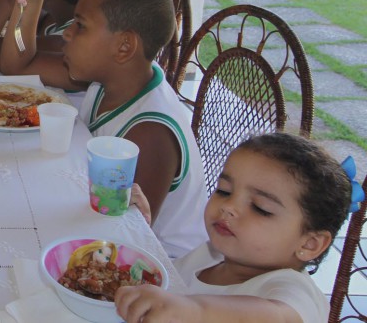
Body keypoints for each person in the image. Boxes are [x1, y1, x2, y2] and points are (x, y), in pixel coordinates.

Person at [117, 133, 351, 323]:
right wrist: (139, 226)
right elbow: (166, 283)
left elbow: (279, 317)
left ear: (309, 244)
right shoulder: (210, 255)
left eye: (261, 208)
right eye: (224, 191)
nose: (229, 207)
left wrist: (194, 312)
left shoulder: (293, 290)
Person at [66, 0, 206, 257]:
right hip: (100, 224)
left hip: (164, 267)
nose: (67, 33)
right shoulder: (107, 84)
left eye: (80, 26)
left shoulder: (150, 132)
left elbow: (127, 236)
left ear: (124, 46)